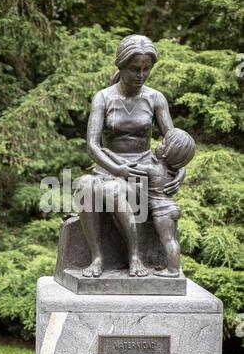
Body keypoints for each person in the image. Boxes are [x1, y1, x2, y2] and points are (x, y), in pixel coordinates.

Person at [75, 34, 185, 278]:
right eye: (135, 69)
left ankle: (135, 256)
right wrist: (117, 169)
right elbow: (93, 145)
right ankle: (96, 258)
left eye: (147, 69)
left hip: (142, 171)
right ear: (121, 65)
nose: (141, 75)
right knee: (84, 185)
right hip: (110, 165)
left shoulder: (156, 98)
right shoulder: (103, 98)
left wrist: (180, 169)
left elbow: (173, 141)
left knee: (113, 190)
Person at [105, 128, 196, 277]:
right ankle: (172, 265)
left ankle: (173, 271)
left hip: (162, 211)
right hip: (171, 208)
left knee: (168, 240)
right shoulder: (172, 173)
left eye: (163, 143)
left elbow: (126, 164)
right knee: (171, 240)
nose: (158, 144)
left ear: (165, 153)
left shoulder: (152, 169)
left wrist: (109, 154)